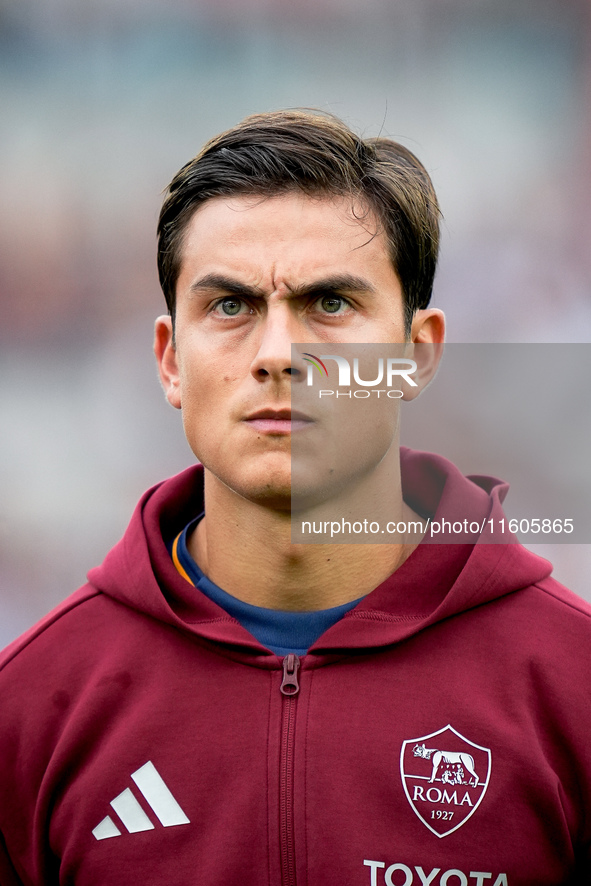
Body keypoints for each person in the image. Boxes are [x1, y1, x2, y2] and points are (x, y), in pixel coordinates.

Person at [1, 110, 590, 886]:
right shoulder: (32, 704)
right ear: (170, 360)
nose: (279, 355)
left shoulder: (570, 685)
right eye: (231, 306)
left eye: (331, 305)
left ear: (416, 356)